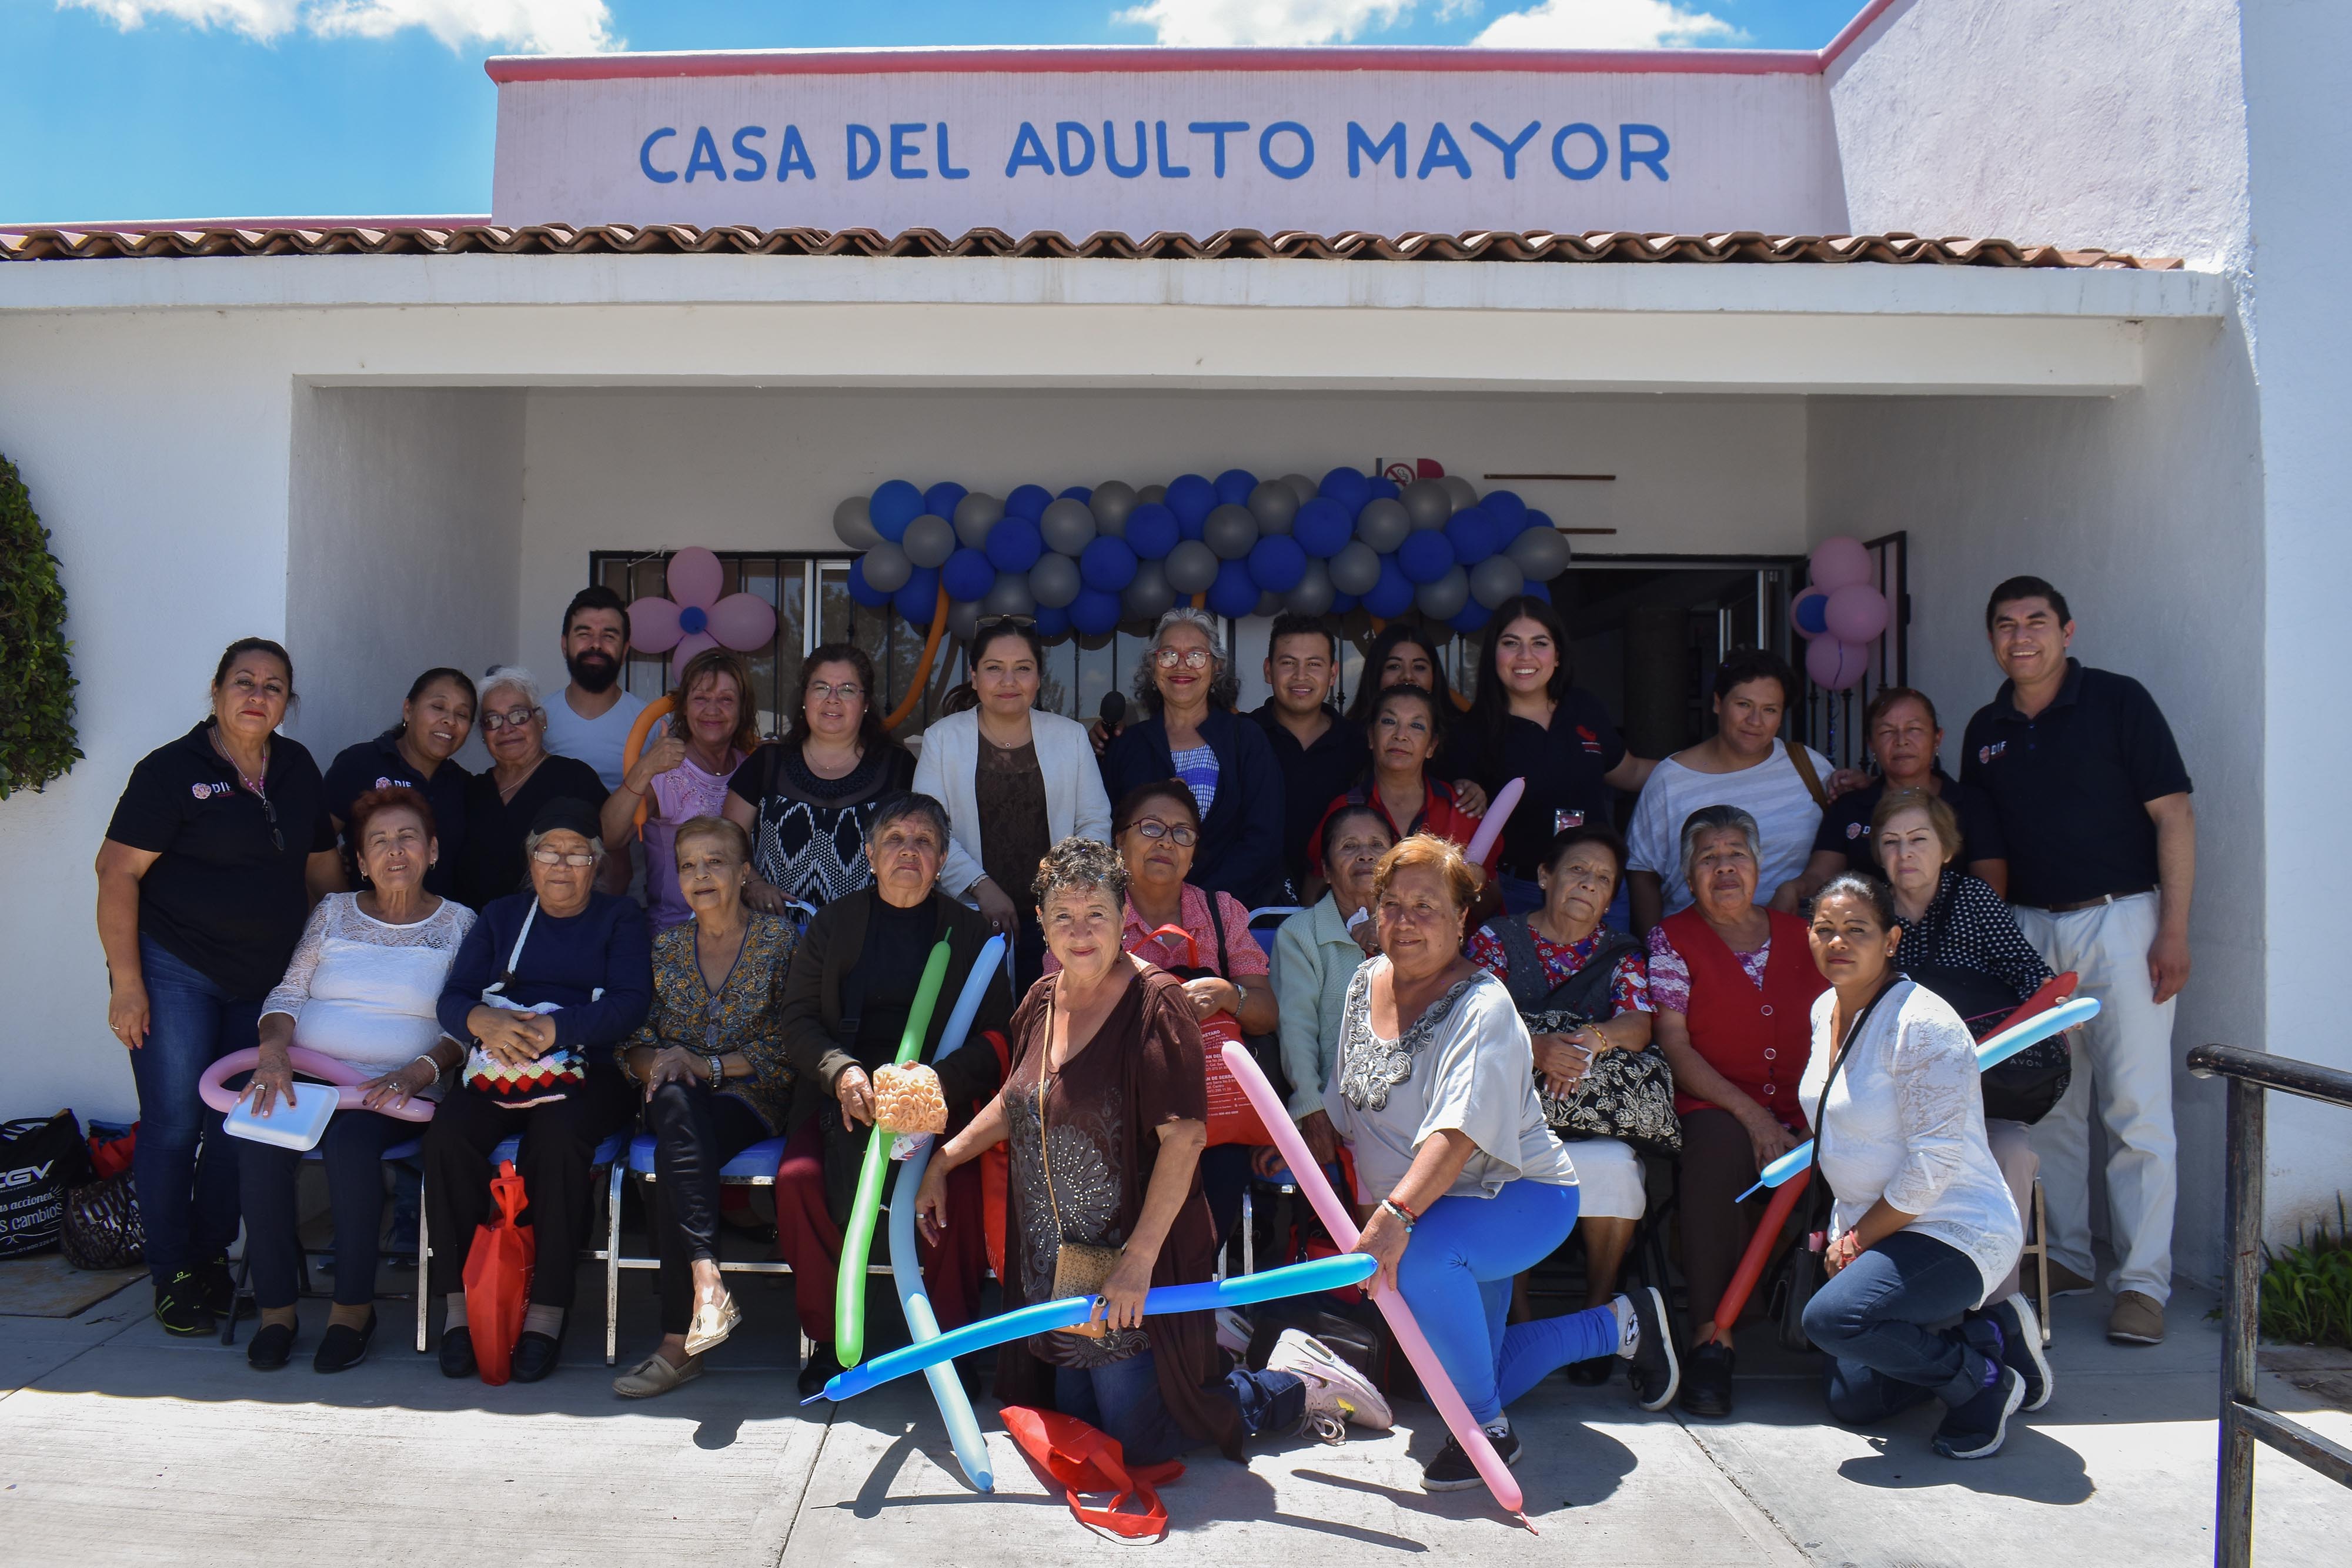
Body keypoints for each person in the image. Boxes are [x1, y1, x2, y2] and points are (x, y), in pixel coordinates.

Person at [915, 836, 1389, 1462]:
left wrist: (1136, 1261)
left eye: (1096, 916)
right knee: (1082, 1432)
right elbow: (1016, 1100)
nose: (1079, 932)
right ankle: (1226, 1365)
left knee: (1148, 1443)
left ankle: (1294, 1387)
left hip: (1130, 1263)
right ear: (1042, 922)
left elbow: (1185, 1138)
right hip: (1056, 1265)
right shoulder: (1040, 999)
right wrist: (945, 1159)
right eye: (1063, 916)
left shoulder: (1156, 1005)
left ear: (1122, 919)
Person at [1327, 835, 1680, 1490]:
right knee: (1447, 1375)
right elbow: (1352, 1102)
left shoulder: (1483, 1007)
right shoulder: (1362, 980)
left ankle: (1488, 1432)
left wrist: (1394, 1217)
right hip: (1432, 1204)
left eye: (1426, 907)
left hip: (1516, 1197)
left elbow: (1457, 1135)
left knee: (1427, 1265)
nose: (1405, 922)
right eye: (1392, 905)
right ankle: (1618, 1324)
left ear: (1462, 920)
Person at [1960, 576, 2194, 1347]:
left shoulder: (2120, 701)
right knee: (2051, 1106)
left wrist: (2174, 929)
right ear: (1991, 636)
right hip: (2029, 930)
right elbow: (1984, 846)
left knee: (2136, 1109)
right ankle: (2064, 1254)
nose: (2021, 636)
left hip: (2121, 918)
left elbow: (2175, 815)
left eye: (2036, 622)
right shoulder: (1985, 726)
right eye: (2005, 624)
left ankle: (2142, 1282)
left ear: (2067, 629)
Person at [95, 637, 342, 1336]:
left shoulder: (296, 768)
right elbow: (116, 873)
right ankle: (171, 1273)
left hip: (265, 983)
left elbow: (323, 874)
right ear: (215, 691)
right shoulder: (173, 770)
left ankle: (206, 1261)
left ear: (287, 701)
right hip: (175, 971)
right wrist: (127, 984)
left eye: (272, 684)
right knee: (174, 1125)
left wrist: (343, 959)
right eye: (243, 681)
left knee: (238, 1129)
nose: (256, 695)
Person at [773, 793, 1008, 1396]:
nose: (910, 851)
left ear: (942, 859)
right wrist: (842, 1073)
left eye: (925, 841)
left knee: (958, 1187)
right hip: (843, 1100)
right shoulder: (833, 925)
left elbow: (997, 1037)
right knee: (800, 1180)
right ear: (872, 855)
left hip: (938, 1103)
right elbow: (797, 1021)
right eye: (896, 840)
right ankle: (829, 1342)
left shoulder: (970, 931)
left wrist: (938, 1082)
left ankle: (949, 1344)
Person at [235, 786, 476, 1373]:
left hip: (391, 1090)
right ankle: (276, 1313)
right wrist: (272, 1050)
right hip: (309, 1078)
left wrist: (421, 1070)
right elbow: (288, 993)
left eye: (407, 838)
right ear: (361, 861)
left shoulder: (461, 924)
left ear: (433, 850)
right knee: (259, 1144)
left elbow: (468, 1023)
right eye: (379, 842)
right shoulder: (333, 912)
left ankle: (351, 1312)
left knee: (350, 1148)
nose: (395, 852)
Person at [1798, 873, 2036, 1459]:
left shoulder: (1922, 1024)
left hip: (1951, 1227)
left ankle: (1982, 1382)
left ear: (1892, 940)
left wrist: (1853, 1242)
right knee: (1855, 1403)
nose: (1838, 944)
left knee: (1831, 1321)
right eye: (1824, 930)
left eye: (1857, 931)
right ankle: (1985, 1334)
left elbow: (1932, 1167)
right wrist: (1847, 1233)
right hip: (1876, 1230)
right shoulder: (1823, 1008)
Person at [426, 797, 650, 1383]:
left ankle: (545, 1312)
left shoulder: (619, 919)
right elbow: (452, 1000)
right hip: (499, 1065)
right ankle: (459, 1307)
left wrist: (557, 1028)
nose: (561, 864)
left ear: (596, 863)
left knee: (555, 1140)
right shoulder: (501, 916)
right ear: (531, 859)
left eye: (576, 852)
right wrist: (485, 1023)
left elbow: (631, 1003)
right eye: (549, 850)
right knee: (449, 1134)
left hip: (587, 1072)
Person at [1646, 805, 1827, 1417]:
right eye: (1707, 859)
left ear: (1757, 866)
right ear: (1687, 873)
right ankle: (1711, 1337)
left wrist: (1815, 1111)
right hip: (1716, 1101)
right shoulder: (1673, 939)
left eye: (1735, 856)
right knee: (1718, 1153)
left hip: (1807, 1105)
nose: (1723, 869)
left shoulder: (1807, 934)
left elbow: (1841, 1024)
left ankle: (1846, 1330)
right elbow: (1674, 1042)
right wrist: (1753, 1117)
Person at [610, 816, 799, 1398]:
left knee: (676, 1133)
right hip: (678, 1101)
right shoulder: (665, 948)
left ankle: (678, 1339)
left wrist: (705, 1066)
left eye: (715, 861)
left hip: (755, 1098)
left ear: (743, 872)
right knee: (674, 1111)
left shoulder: (781, 940)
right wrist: (662, 1062)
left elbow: (791, 1043)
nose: (700, 875)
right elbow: (633, 1042)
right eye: (688, 864)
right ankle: (706, 1283)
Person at [1465, 823, 1655, 1381]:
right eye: (1577, 870)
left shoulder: (1621, 953)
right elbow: (1474, 1015)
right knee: (1502, 1169)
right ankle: (1518, 1321)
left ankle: (1596, 1313)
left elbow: (1639, 1023)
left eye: (1603, 879)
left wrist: (1592, 1039)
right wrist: (1538, 1046)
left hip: (1592, 1115)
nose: (1588, 885)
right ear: (1546, 876)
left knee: (1618, 1168)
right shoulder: (1495, 939)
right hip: (1511, 1116)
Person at [1058, 781, 1278, 1243]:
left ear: (1194, 853)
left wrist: (1225, 994)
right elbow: (1060, 1014)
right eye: (1151, 827)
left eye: (1182, 834)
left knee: (1201, 1235)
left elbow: (1264, 1013)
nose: (1166, 842)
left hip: (1211, 1113)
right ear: (1119, 841)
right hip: (1114, 1114)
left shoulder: (1223, 913)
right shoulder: (1088, 913)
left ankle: (1188, 1313)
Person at [1876, 790, 2056, 1319]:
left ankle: (2000, 1315)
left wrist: (2046, 993)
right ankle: (1901, 1304)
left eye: (1917, 840)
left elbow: (2029, 972)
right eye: (1891, 842)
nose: (1904, 853)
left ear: (1946, 849)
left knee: (2014, 1154)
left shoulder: (1974, 899)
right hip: (1896, 1097)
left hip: (1985, 1088)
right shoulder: (1868, 909)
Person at [913, 617, 1111, 984]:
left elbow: (1094, 823)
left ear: (1038, 678)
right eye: (994, 669)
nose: (1009, 681)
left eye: (1023, 669)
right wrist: (981, 885)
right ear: (974, 676)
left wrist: (1066, 892)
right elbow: (929, 830)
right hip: (968, 913)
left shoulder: (1069, 737)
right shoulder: (942, 739)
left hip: (1061, 918)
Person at [1456, 597, 1655, 914]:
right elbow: (1456, 807)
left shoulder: (1583, 708)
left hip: (1600, 888)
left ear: (1558, 655)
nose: (1525, 656)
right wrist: (1465, 789)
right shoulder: (1473, 729)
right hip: (1522, 893)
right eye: (1511, 643)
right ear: (1494, 653)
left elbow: (1630, 773)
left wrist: (1702, 770)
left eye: (1540, 643)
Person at [1625, 649, 1829, 933]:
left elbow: (1840, 846)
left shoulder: (1810, 768)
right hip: (1696, 952)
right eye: (1744, 704)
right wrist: (1655, 949)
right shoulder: (1671, 779)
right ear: (1719, 703)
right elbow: (1643, 871)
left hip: (1793, 949)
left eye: (1770, 709)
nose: (1755, 720)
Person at [1100, 609, 1285, 908]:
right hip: (1143, 914)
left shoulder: (1246, 739)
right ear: (1153, 665)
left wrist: (1201, 902)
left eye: (1197, 655)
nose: (1182, 666)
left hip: (1228, 912)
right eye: (1169, 655)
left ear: (1217, 667)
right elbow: (1109, 834)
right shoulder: (1128, 745)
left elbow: (1264, 841)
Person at [725, 643, 914, 914]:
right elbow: (727, 842)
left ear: (866, 704)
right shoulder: (766, 763)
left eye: (847, 689)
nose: (833, 698)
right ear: (805, 698)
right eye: (821, 687)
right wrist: (752, 884)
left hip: (867, 936)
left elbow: (922, 846)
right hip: (775, 935)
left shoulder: (899, 768)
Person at [1794, 687, 2007, 901]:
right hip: (1868, 930)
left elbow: (1990, 888)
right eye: (1887, 732)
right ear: (1871, 744)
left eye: (1914, 729)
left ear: (1937, 738)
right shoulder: (1849, 807)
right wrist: (1794, 889)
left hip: (1954, 931)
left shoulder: (1972, 804)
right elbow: (1820, 877)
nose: (1901, 741)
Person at [602, 647, 754, 933]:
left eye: (726, 699)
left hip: (741, 939)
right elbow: (610, 837)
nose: (713, 710)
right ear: (683, 706)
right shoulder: (668, 770)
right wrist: (645, 767)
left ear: (742, 708)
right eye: (701, 698)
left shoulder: (751, 766)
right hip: (674, 937)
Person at [1272, 805, 1392, 1165]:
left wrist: (1389, 941)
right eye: (1349, 846)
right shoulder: (1300, 935)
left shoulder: (1417, 930)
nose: (1366, 854)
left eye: (1377, 845)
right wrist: (1313, 1111)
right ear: (1325, 870)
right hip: (1343, 1110)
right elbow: (1297, 1029)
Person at [450, 667, 610, 910]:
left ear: (541, 721)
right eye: (492, 720)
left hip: (550, 932)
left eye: (519, 716)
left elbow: (613, 863)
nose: (506, 729)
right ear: (483, 733)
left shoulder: (574, 778)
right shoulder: (472, 790)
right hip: (477, 933)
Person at [1309, 684, 1495, 880]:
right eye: (1389, 721)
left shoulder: (1463, 809)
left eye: (1416, 726)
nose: (1401, 735)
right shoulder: (1343, 811)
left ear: (1432, 746)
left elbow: (1490, 897)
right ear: (1371, 736)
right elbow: (1315, 890)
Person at [320, 667, 476, 900]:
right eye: (438, 707)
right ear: (408, 710)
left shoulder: (466, 786)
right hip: (366, 928)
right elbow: (316, 845)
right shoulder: (359, 763)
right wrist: (344, 907)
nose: (449, 721)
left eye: (462, 715)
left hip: (443, 930)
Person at [1249, 614, 1368, 902]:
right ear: (1268, 671)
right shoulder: (1242, 737)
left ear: (1333, 673)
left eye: (1314, 664)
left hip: (1341, 908)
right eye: (1288, 663)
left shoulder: (1360, 743)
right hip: (1254, 906)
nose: (1301, 676)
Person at [1344, 622, 1490, 814]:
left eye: (1419, 667)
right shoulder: (1347, 738)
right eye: (1394, 666)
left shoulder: (1463, 736)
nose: (1407, 676)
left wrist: (1474, 793)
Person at [540, 584, 648, 793]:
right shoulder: (537, 719)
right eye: (584, 634)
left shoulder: (651, 724)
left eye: (609, 636)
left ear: (625, 650)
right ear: (564, 645)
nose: (596, 645)